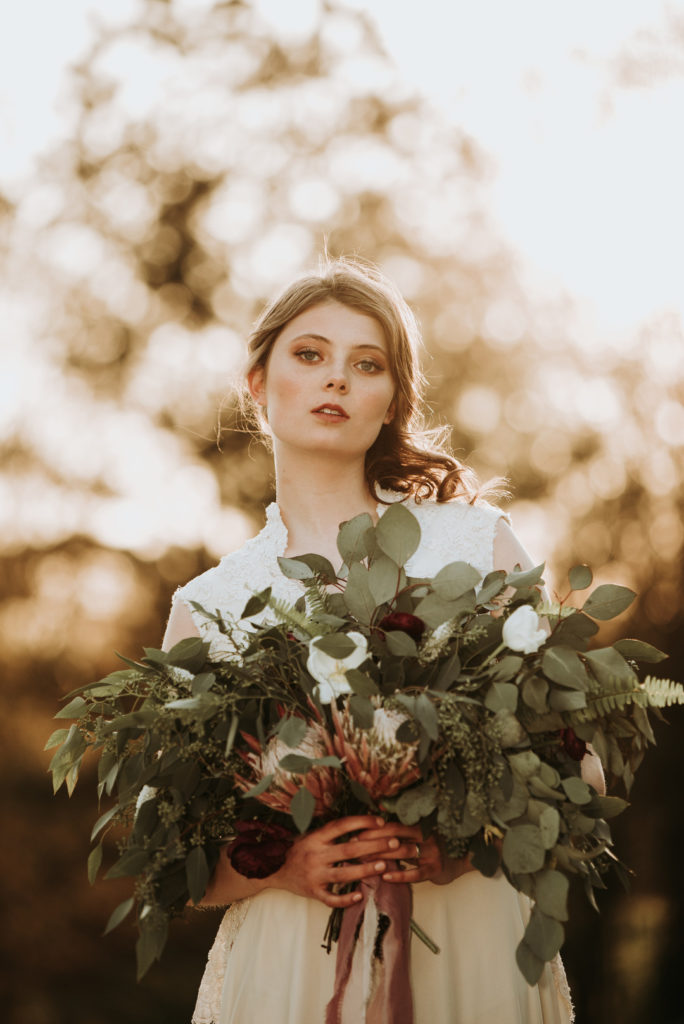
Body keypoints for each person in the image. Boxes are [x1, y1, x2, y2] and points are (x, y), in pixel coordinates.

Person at [163, 258, 597, 1023]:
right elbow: (175, 864)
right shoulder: (206, 607)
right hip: (289, 970)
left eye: (367, 365)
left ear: (392, 399)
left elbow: (581, 768)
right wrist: (286, 865)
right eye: (310, 355)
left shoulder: (478, 546)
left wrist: (466, 844)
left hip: (472, 943)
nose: (337, 379)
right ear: (259, 383)